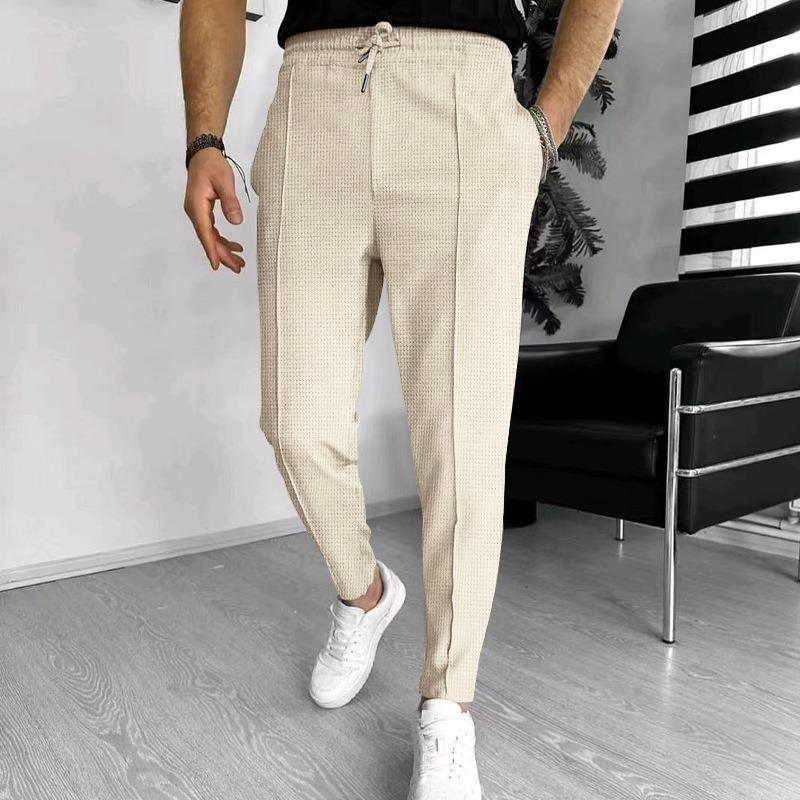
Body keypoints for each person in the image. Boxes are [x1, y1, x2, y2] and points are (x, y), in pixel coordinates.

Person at [180, 1, 623, 796]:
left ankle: (448, 703)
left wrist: (547, 122)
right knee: (295, 421)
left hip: (465, 100)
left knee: (461, 439)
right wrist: (204, 140)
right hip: (315, 100)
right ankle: (366, 593)